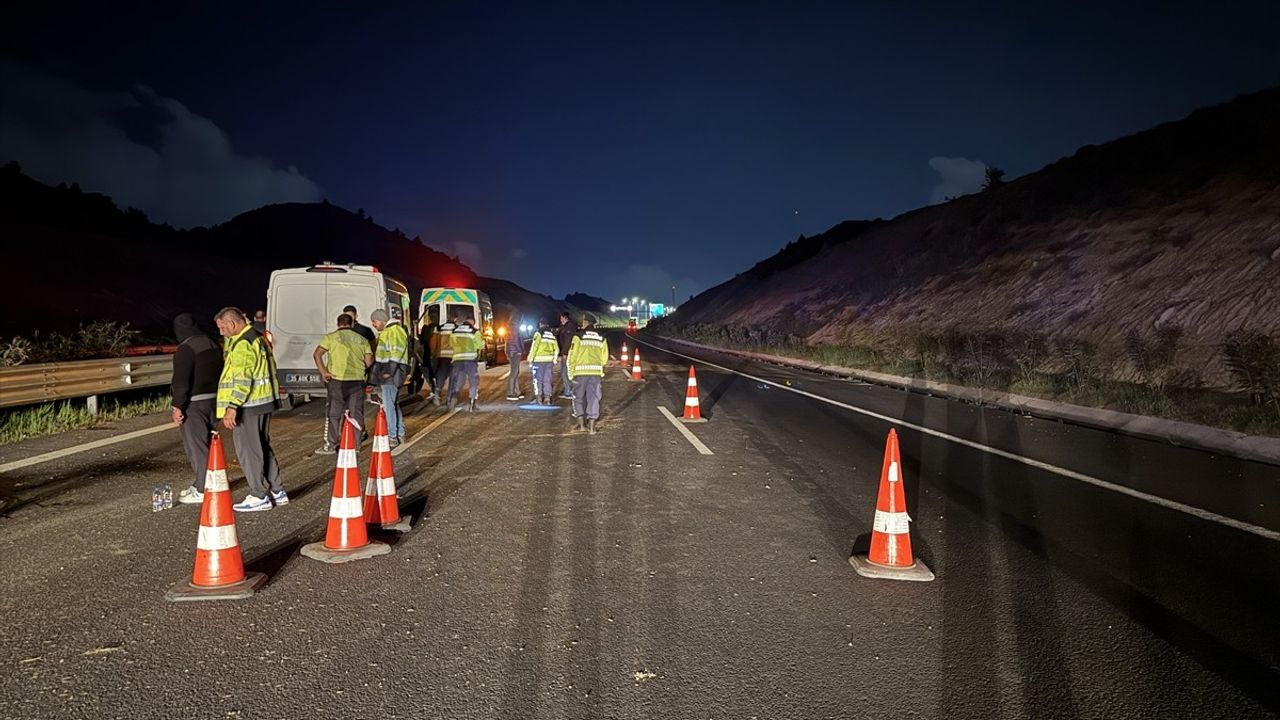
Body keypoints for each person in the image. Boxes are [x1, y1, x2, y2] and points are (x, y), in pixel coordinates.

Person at [213, 307, 287, 511]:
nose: (221, 332)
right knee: (262, 446)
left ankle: (258, 494)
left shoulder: (243, 344)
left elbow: (243, 379)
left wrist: (232, 406)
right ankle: (277, 490)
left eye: (222, 327)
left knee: (249, 450)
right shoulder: (257, 337)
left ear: (233, 324)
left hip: (248, 405)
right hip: (263, 402)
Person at [171, 313, 223, 505]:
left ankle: (203, 488)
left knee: (197, 447)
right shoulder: (212, 343)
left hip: (194, 403)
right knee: (209, 445)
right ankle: (214, 482)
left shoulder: (186, 348)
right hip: (214, 401)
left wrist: (178, 405)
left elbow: (181, 381)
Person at [313, 313, 373, 454]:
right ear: (352, 324)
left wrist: (324, 372)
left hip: (336, 381)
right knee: (356, 414)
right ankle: (356, 446)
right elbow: (369, 361)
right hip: (357, 381)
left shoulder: (330, 337)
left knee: (334, 414)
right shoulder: (362, 339)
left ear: (338, 324)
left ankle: (331, 445)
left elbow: (317, 354)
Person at [371, 307, 410, 446]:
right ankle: (400, 433)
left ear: (381, 320)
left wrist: (389, 372)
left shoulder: (393, 331)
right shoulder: (394, 330)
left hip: (391, 372)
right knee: (393, 404)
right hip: (393, 372)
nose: (373, 325)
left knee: (389, 405)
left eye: (374, 321)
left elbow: (395, 353)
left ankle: (392, 436)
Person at [567, 314, 609, 434]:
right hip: (595, 373)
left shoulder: (578, 336)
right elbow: (604, 358)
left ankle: (580, 425)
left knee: (578, 398)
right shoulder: (601, 337)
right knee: (594, 398)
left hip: (580, 373)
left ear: (585, 322)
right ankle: (592, 427)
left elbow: (572, 356)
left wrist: (570, 373)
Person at [448, 314, 482, 411]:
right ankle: (472, 404)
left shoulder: (454, 331)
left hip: (457, 360)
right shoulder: (475, 332)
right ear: (473, 322)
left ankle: (454, 398)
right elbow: (479, 346)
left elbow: (451, 344)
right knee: (473, 381)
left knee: (458, 381)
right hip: (470, 360)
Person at [528, 319, 558, 405]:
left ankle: (539, 399)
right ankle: (547, 399)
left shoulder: (538, 334)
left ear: (540, 324)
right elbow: (556, 349)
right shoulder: (552, 335)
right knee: (547, 380)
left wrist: (530, 359)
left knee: (538, 380)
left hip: (538, 361)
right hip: (549, 361)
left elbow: (534, 348)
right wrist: (554, 359)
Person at [415, 307, 439, 399]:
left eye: (434, 315)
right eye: (432, 315)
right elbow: (421, 339)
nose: (433, 317)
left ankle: (435, 390)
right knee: (427, 370)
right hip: (428, 353)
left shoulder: (433, 328)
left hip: (433, 354)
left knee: (432, 371)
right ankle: (434, 389)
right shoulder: (427, 328)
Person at [433, 313, 457, 405]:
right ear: (455, 318)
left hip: (442, 356)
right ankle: (450, 398)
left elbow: (434, 341)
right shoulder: (456, 329)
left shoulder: (439, 328)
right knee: (453, 377)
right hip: (453, 357)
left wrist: (434, 354)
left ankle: (437, 394)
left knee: (441, 375)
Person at [505, 316, 526, 401]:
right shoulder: (514, 328)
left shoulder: (510, 328)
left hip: (511, 352)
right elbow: (516, 341)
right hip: (515, 353)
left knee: (515, 372)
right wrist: (520, 350)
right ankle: (510, 393)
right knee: (514, 373)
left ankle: (517, 391)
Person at [556, 311, 576, 400]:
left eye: (561, 318)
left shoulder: (569, 327)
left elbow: (568, 341)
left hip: (567, 353)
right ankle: (569, 390)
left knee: (565, 373)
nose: (560, 320)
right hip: (566, 352)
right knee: (565, 372)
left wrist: (565, 353)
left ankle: (568, 392)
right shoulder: (564, 327)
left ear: (565, 318)